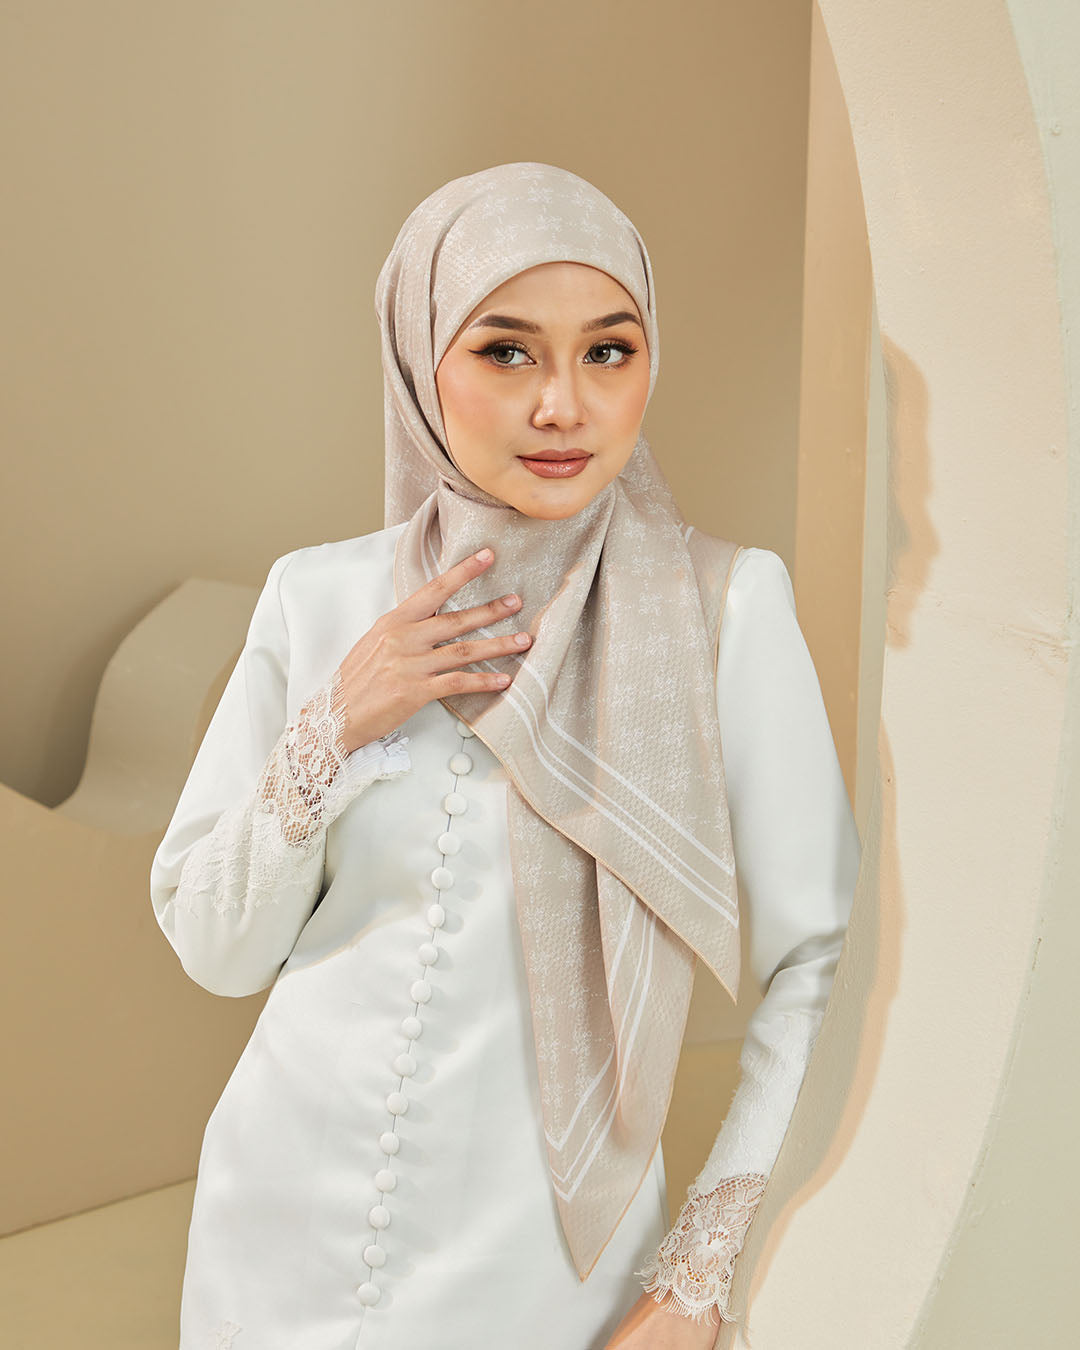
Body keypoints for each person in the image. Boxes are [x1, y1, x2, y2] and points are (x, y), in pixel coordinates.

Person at [150, 162, 860, 1350]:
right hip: (271, 1237)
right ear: (419, 358)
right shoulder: (321, 600)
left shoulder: (726, 611)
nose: (564, 406)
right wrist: (338, 721)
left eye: (608, 351)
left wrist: (701, 1276)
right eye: (507, 351)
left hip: (545, 1275)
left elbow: (821, 964)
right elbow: (217, 951)